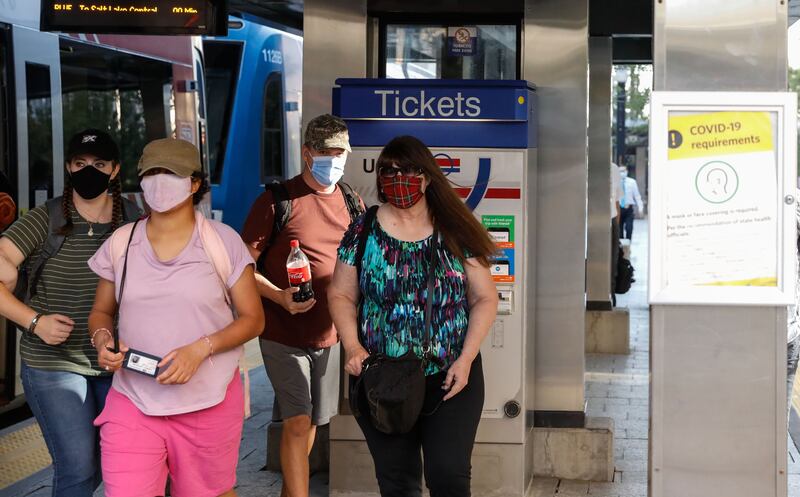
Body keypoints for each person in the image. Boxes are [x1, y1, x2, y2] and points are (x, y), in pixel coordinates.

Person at [87, 138, 264, 497]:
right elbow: (102, 312)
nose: (160, 181)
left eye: (171, 173)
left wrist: (200, 349)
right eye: (152, 172)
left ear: (195, 183)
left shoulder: (222, 241)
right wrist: (102, 339)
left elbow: (253, 319)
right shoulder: (121, 242)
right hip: (133, 400)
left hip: (208, 402)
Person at [329, 135, 499, 497]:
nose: (398, 178)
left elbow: (485, 297)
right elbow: (341, 294)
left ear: (427, 177)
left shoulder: (455, 227)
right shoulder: (363, 230)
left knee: (449, 476)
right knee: (397, 483)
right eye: (388, 170)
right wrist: (353, 347)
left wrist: (467, 358)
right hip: (381, 377)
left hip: (451, 376)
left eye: (408, 170)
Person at [0, 129, 138, 496]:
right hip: (53, 364)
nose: (88, 171)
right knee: (77, 467)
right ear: (68, 167)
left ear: (115, 170)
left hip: (115, 364)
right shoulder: (44, 219)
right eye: (80, 163)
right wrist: (34, 322)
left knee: (110, 462)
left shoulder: (134, 220)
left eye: (99, 164)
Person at [241, 114, 363, 497]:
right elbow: (240, 267)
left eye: (340, 153)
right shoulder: (277, 201)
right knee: (296, 420)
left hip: (330, 336)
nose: (334, 160)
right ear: (308, 153)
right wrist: (279, 296)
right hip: (283, 334)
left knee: (311, 423)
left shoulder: (352, 202)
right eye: (326, 153)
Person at [610, 162, 624, 304]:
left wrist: (617, 226)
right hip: (588, 219)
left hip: (611, 218)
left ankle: (611, 291)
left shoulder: (614, 168)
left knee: (612, 259)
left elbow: (617, 202)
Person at [618, 164, 643, 240]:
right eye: (620, 171)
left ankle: (628, 243)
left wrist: (640, 208)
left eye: (623, 171)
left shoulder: (632, 182)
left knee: (629, 228)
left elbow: (637, 196)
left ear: (627, 171)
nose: (622, 173)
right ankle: (621, 245)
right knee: (619, 230)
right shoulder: (615, 182)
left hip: (628, 209)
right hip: (618, 209)